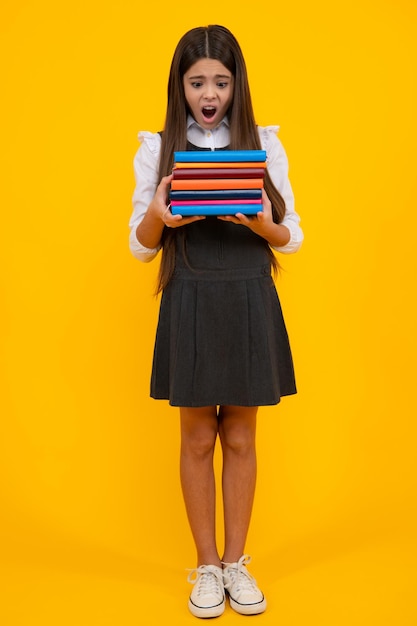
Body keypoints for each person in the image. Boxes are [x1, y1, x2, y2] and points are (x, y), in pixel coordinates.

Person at [129, 25, 303, 619]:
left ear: (237, 84)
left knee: (242, 437)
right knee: (198, 438)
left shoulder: (263, 144)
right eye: (198, 81)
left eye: (221, 82)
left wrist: (258, 221)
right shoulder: (157, 149)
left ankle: (236, 563)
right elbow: (140, 246)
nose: (210, 94)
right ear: (180, 86)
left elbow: (293, 236)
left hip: (248, 296)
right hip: (191, 298)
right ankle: (206, 568)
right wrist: (159, 215)